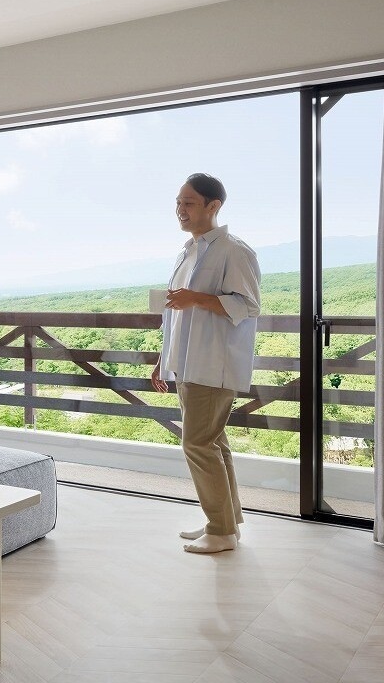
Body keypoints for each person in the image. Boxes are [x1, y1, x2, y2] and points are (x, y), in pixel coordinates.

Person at [151, 173, 261, 555]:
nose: (180, 209)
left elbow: (248, 305)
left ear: (213, 207)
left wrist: (197, 298)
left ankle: (220, 530)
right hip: (187, 363)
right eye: (178, 202)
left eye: (189, 203)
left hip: (213, 365)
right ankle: (227, 524)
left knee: (197, 443)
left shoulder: (234, 250)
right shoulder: (188, 251)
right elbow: (174, 312)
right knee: (214, 443)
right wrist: (163, 360)